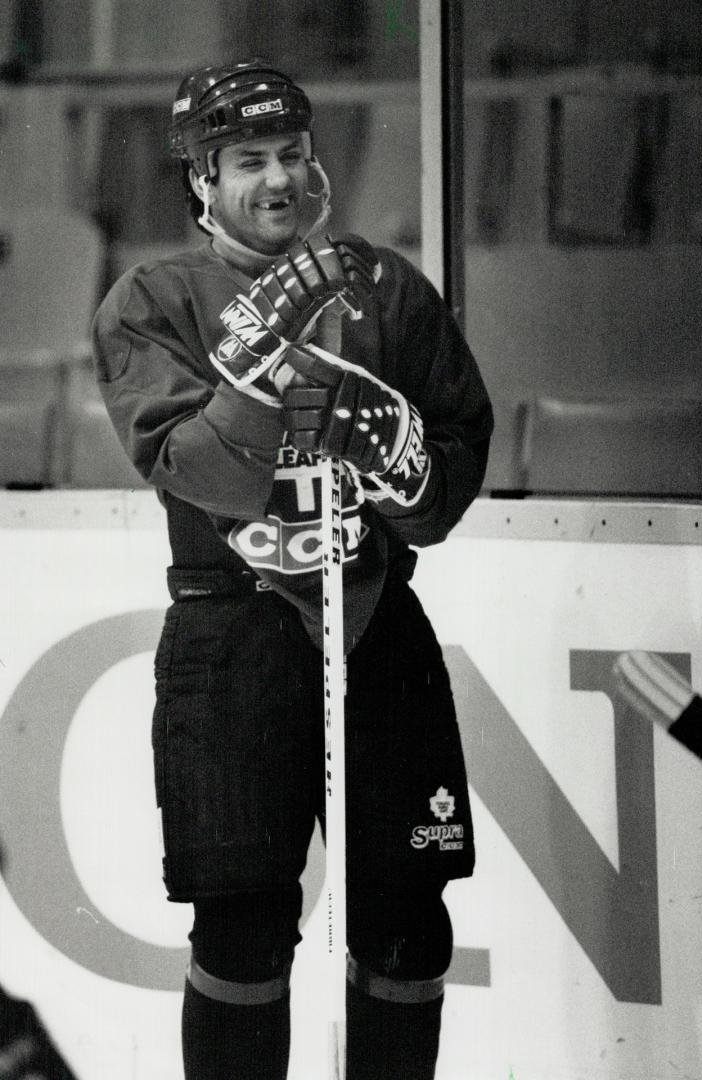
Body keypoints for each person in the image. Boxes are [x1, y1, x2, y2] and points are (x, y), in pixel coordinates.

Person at [91, 58, 494, 1080]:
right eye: (248, 162)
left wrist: (402, 457)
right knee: (242, 927)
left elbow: (443, 488)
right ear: (201, 183)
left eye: (291, 156)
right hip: (230, 640)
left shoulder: (389, 290)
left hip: (374, 623)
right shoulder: (151, 299)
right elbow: (196, 473)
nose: (276, 179)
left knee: (407, 921)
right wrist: (260, 366)